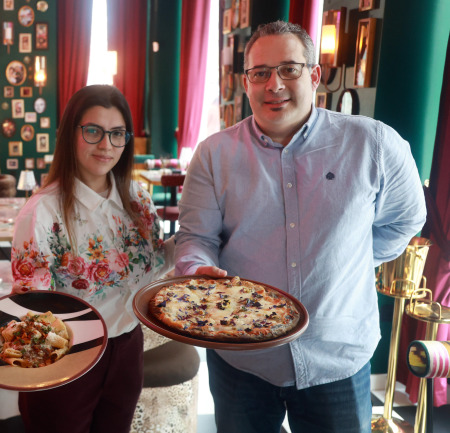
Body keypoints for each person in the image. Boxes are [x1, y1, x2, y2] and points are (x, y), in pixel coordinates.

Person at [174, 21, 426, 433]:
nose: (275, 84)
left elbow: (405, 220)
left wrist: (352, 258)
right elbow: (196, 238)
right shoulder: (213, 154)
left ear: (314, 75)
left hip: (337, 357)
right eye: (261, 73)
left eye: (289, 69)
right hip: (243, 357)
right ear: (246, 82)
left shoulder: (376, 145)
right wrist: (197, 269)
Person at [11, 84, 174, 432]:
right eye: (93, 131)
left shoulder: (137, 198)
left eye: (117, 134)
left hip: (128, 346)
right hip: (68, 354)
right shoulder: (41, 213)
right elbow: (32, 305)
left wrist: (199, 241)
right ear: (70, 133)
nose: (106, 145)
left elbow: (156, 261)